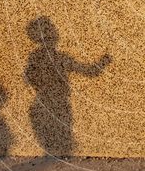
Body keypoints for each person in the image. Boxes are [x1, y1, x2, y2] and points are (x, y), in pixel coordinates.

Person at [24, 16, 111, 155]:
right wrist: (105, 60)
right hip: (58, 103)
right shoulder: (59, 57)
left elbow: (29, 78)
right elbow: (89, 71)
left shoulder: (35, 57)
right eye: (52, 30)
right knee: (61, 139)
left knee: (52, 141)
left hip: (44, 101)